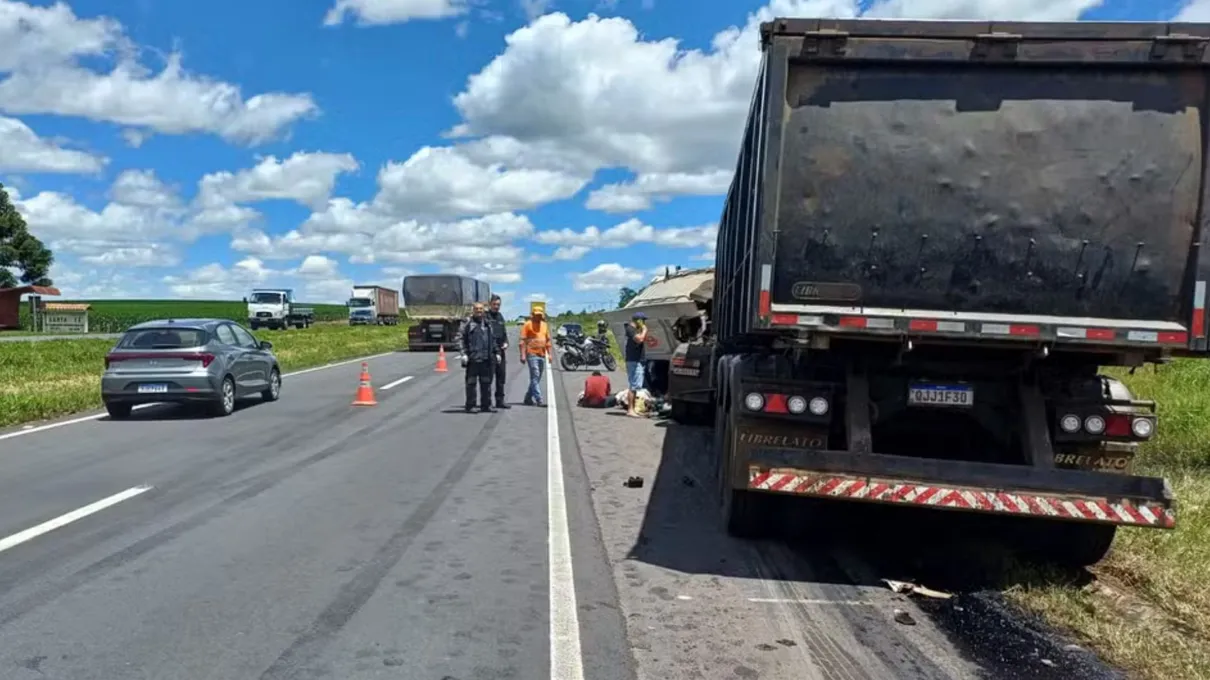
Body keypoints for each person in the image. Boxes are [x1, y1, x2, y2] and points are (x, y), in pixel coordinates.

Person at [456, 302, 497, 413]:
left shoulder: (487, 323)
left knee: (486, 383)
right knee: (471, 384)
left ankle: (486, 405)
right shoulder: (467, 323)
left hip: (485, 359)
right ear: (473, 310)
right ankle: (470, 405)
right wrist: (463, 353)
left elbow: (492, 339)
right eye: (477, 309)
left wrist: (496, 352)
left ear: (484, 310)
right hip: (472, 358)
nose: (479, 311)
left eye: (481, 309)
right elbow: (459, 338)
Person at [520, 306, 552, 406]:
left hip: (542, 354)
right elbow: (522, 341)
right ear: (532, 315)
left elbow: (547, 341)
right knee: (535, 375)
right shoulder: (527, 325)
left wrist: (550, 354)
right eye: (536, 315)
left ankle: (528, 398)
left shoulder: (544, 325)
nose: (538, 317)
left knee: (536, 378)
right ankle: (539, 400)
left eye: (539, 315)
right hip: (531, 353)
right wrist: (523, 355)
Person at [484, 294, 509, 409]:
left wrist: (506, 342)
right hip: (490, 352)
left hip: (501, 351)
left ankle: (500, 401)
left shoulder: (500, 317)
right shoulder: (485, 317)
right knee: (489, 379)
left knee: (501, 377)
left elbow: (504, 333)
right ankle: (487, 402)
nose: (496, 307)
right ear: (490, 304)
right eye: (494, 304)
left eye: (498, 304)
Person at [624, 312, 648, 417]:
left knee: (635, 385)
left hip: (636, 360)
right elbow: (639, 339)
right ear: (638, 320)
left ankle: (633, 408)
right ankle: (630, 410)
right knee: (633, 385)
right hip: (633, 360)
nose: (644, 323)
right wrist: (644, 330)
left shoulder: (633, 330)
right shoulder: (630, 329)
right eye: (643, 321)